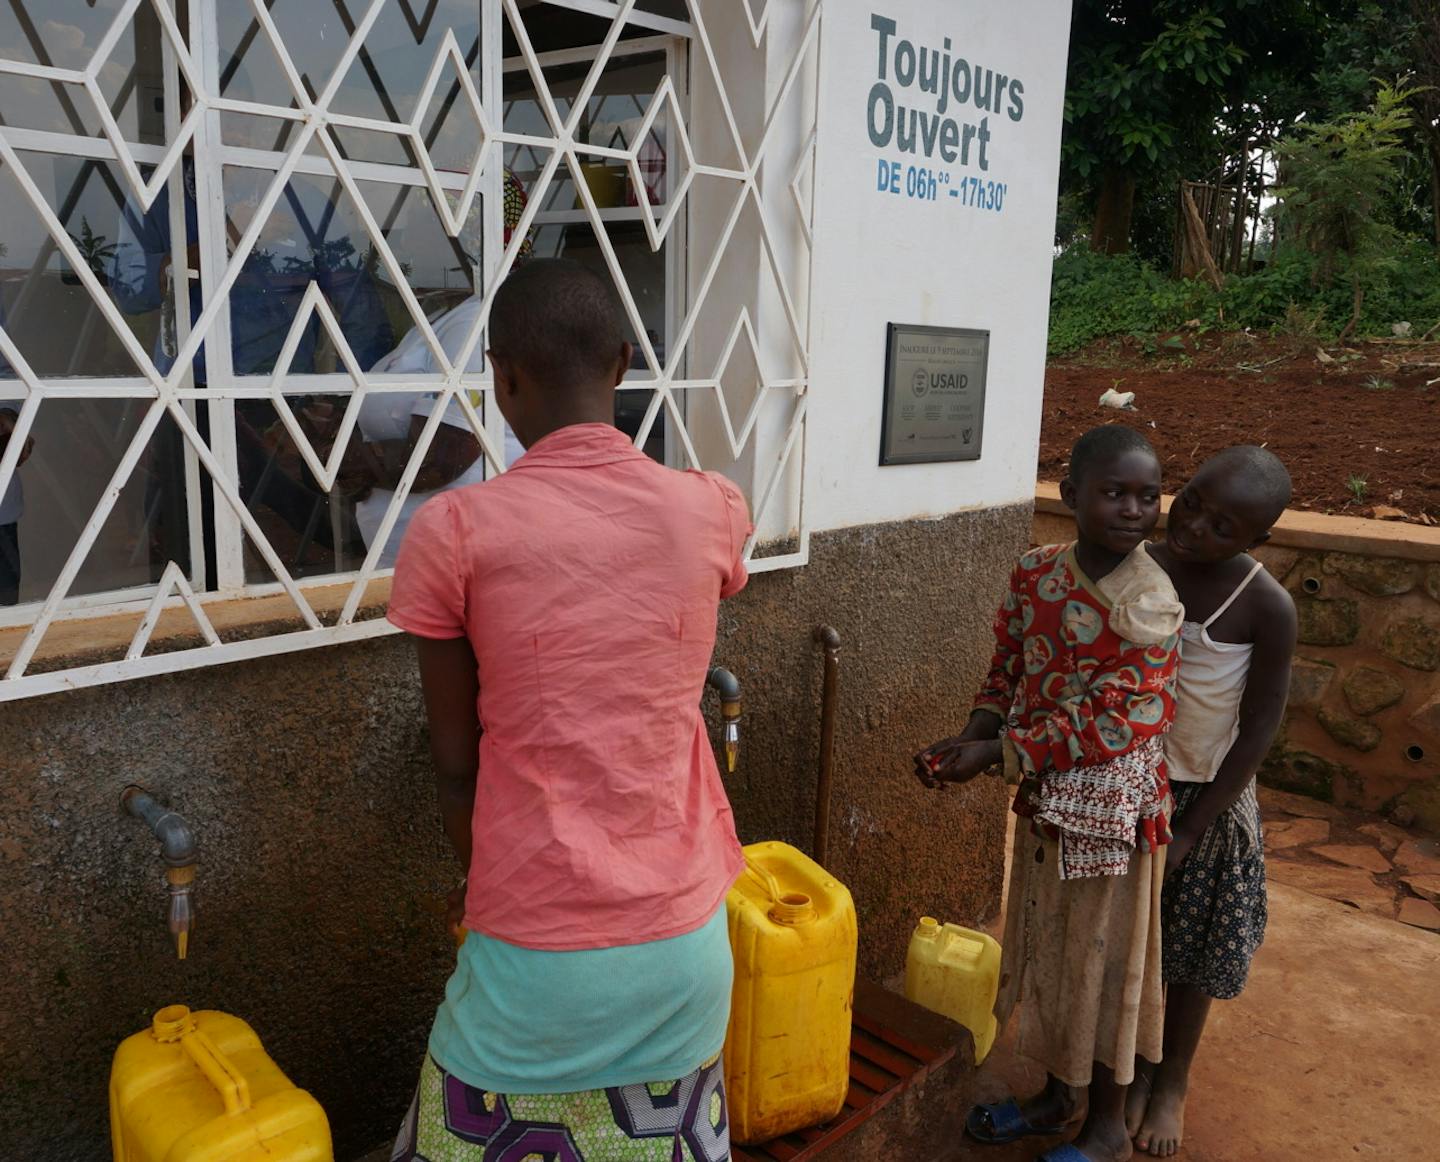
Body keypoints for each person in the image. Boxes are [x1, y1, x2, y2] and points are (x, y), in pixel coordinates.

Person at [386, 258, 749, 1161]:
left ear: (501, 377)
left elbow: (455, 766)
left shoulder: (454, 533)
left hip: (535, 966)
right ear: (625, 363)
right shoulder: (709, 509)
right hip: (688, 950)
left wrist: (491, 891)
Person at [917, 425, 1183, 1162]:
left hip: (1112, 815)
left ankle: (1104, 1129)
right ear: (1069, 496)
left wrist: (996, 754)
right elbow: (1007, 667)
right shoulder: (1035, 574)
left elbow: (1119, 717)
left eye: (1147, 495)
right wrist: (968, 734)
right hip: (1043, 800)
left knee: (1104, 963)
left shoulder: (1151, 603)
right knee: (1052, 951)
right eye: (1114, 492)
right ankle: (1058, 1098)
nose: (1134, 509)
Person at [1125, 447, 1296, 1158]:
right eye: (1191, 501)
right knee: (1131, 944)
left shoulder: (1264, 605)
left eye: (1223, 527)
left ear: (1255, 542)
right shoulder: (1136, 563)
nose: (1193, 527)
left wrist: (1195, 825)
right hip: (1129, 784)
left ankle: (1171, 1082)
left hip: (1207, 797)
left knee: (1190, 952)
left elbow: (1258, 729)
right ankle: (1129, 1067)